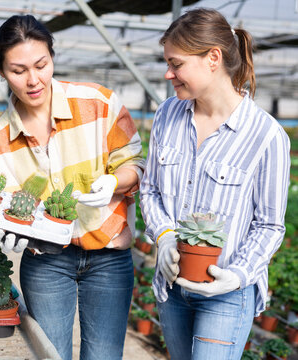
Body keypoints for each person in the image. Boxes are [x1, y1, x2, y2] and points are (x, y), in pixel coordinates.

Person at [0, 14, 144, 360]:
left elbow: (134, 163)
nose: (33, 80)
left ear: (52, 56)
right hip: (46, 262)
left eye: (41, 64)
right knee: (50, 355)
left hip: (109, 256)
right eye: (18, 71)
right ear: (1, 71)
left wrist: (114, 180)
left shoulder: (99, 104)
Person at [140, 8, 290, 360]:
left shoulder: (267, 136)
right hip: (173, 285)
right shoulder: (167, 115)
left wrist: (237, 276)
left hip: (226, 294)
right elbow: (150, 192)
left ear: (213, 58)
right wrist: (163, 239)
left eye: (176, 64)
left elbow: (270, 225)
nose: (168, 74)